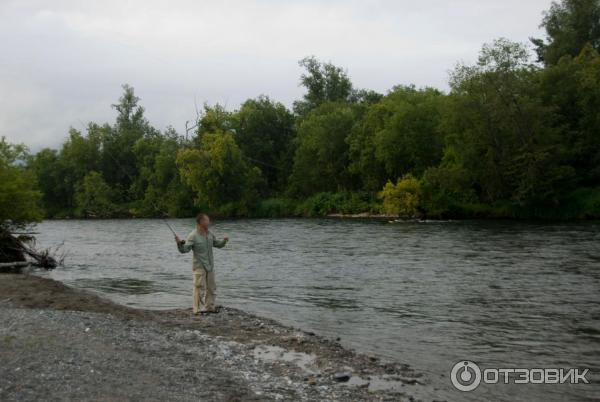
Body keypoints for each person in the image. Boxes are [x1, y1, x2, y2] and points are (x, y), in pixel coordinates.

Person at [176, 213, 229, 314]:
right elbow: (184, 250)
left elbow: (217, 244)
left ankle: (210, 307)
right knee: (199, 289)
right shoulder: (193, 235)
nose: (208, 222)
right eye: (207, 220)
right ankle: (197, 310)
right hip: (199, 267)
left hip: (210, 267)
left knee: (211, 288)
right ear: (201, 222)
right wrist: (179, 243)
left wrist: (224, 241)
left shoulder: (209, 234)